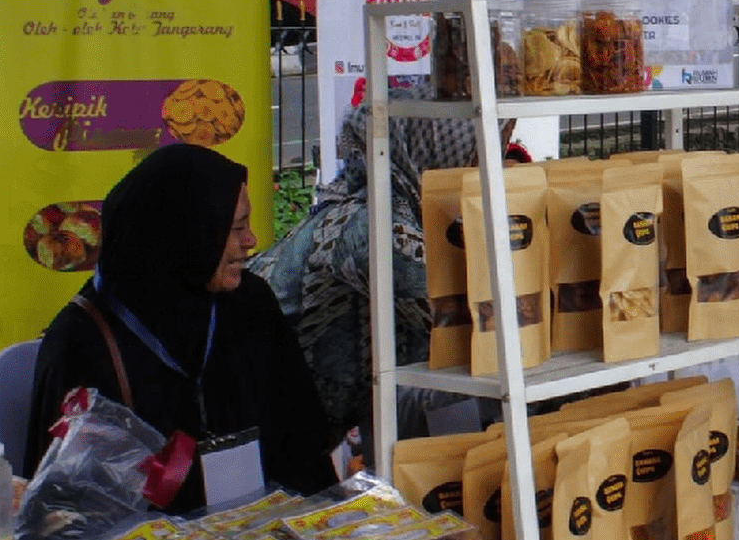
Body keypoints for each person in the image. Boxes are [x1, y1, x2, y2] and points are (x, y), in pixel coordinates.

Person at [26, 145, 339, 511]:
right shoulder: (82, 343)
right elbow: (63, 514)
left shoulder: (248, 305)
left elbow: (304, 454)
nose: (251, 241)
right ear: (185, 232)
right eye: (236, 228)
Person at [254, 96, 478, 441]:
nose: (481, 167)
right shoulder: (372, 226)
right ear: (431, 153)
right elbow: (461, 319)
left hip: (311, 415)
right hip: (264, 421)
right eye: (473, 154)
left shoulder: (407, 211)